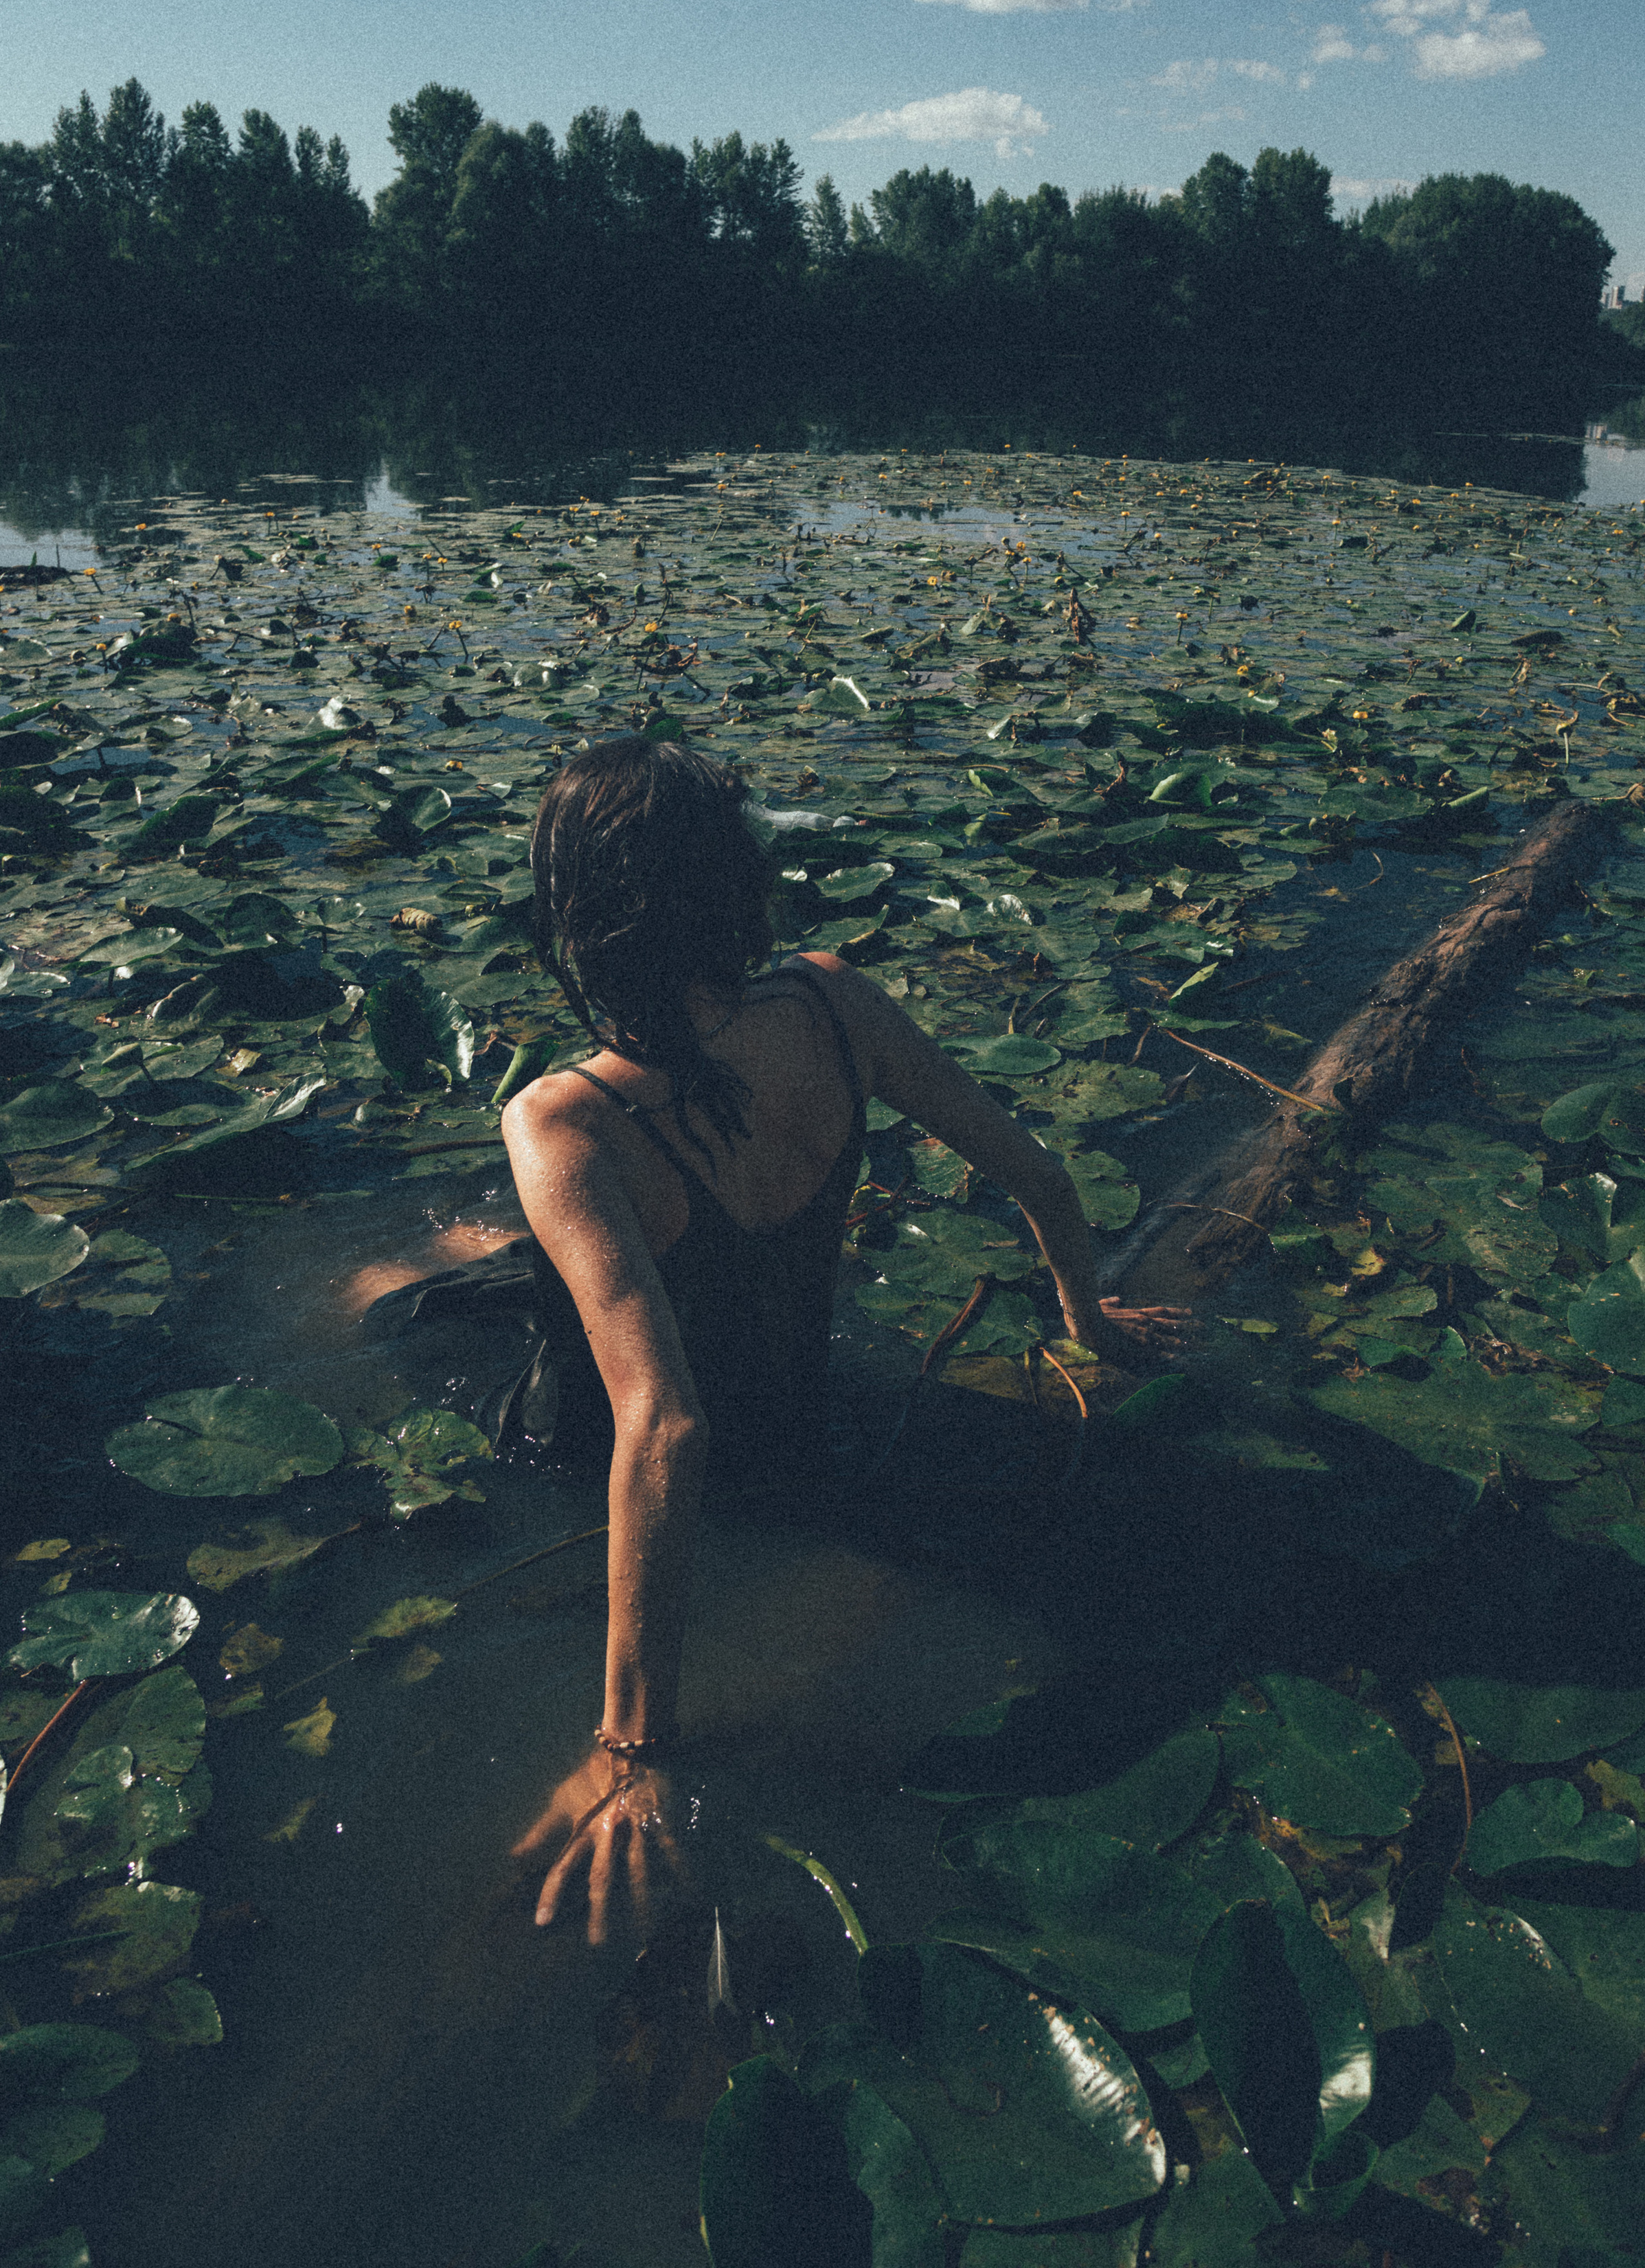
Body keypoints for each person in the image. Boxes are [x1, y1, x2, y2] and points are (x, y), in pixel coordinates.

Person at [494, 739, 1184, 1938]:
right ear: (735, 892)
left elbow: (664, 1426)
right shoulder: (829, 1000)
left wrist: (630, 1745)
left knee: (402, 1298)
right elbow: (1032, 1165)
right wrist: (1088, 1318)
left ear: (582, 921)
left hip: (590, 1463)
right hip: (805, 1423)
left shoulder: (566, 1122)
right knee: (468, 1264)